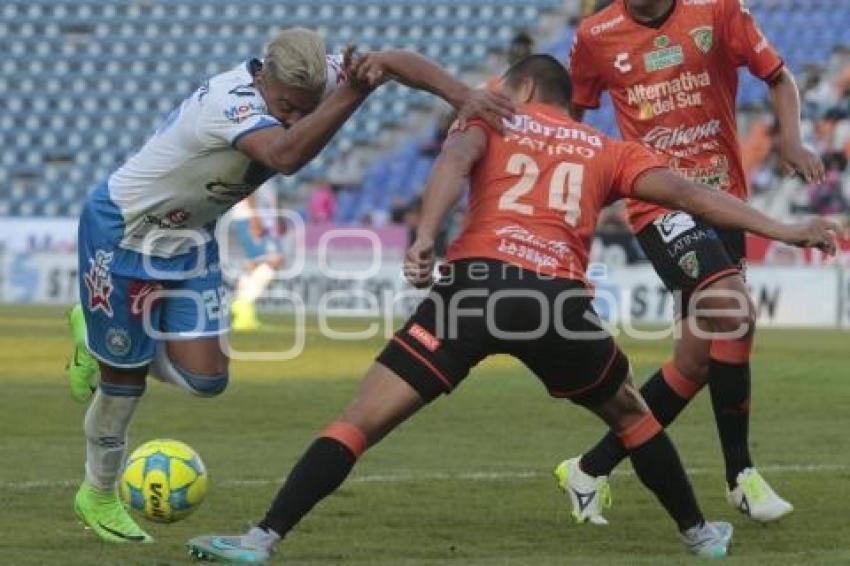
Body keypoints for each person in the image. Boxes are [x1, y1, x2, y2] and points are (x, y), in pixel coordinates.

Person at [186, 55, 841, 563]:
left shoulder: (490, 117)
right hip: (554, 303)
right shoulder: (607, 148)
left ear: (523, 90)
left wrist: (425, 235)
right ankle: (700, 533)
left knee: (359, 421)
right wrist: (785, 232)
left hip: (474, 287)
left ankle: (262, 538)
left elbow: (454, 157)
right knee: (633, 419)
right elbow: (690, 196)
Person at [63, 27, 514, 543]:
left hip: (189, 239)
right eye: (285, 105)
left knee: (207, 381)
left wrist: (463, 96)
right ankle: (97, 493)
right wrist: (352, 94)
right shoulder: (229, 103)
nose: (294, 116)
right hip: (123, 235)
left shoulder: (317, 75)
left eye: (306, 107)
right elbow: (284, 156)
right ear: (262, 77)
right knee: (123, 385)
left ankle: (101, 340)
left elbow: (393, 60)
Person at [555, 0, 827, 524]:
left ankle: (588, 468)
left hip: (725, 202)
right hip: (659, 202)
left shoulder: (719, 11)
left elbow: (778, 76)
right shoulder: (596, 35)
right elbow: (572, 116)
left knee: (695, 363)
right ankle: (740, 476)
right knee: (734, 310)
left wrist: (791, 139)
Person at [228, 180, 284, 332]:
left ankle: (245, 316)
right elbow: (248, 188)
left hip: (264, 218)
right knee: (274, 260)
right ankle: (242, 303)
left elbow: (270, 194)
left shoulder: (271, 169)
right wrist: (254, 218)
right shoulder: (259, 162)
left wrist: (278, 218)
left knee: (254, 266)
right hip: (251, 217)